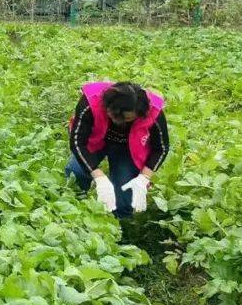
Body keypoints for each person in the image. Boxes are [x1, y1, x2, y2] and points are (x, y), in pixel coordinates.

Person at [66, 81, 169, 218]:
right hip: (96, 141)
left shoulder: (153, 111)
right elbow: (77, 142)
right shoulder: (91, 101)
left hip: (129, 149)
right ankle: (75, 207)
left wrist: (144, 177)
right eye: (117, 117)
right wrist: (99, 176)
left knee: (123, 192)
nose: (122, 122)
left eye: (128, 119)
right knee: (76, 172)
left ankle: (118, 226)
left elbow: (161, 148)